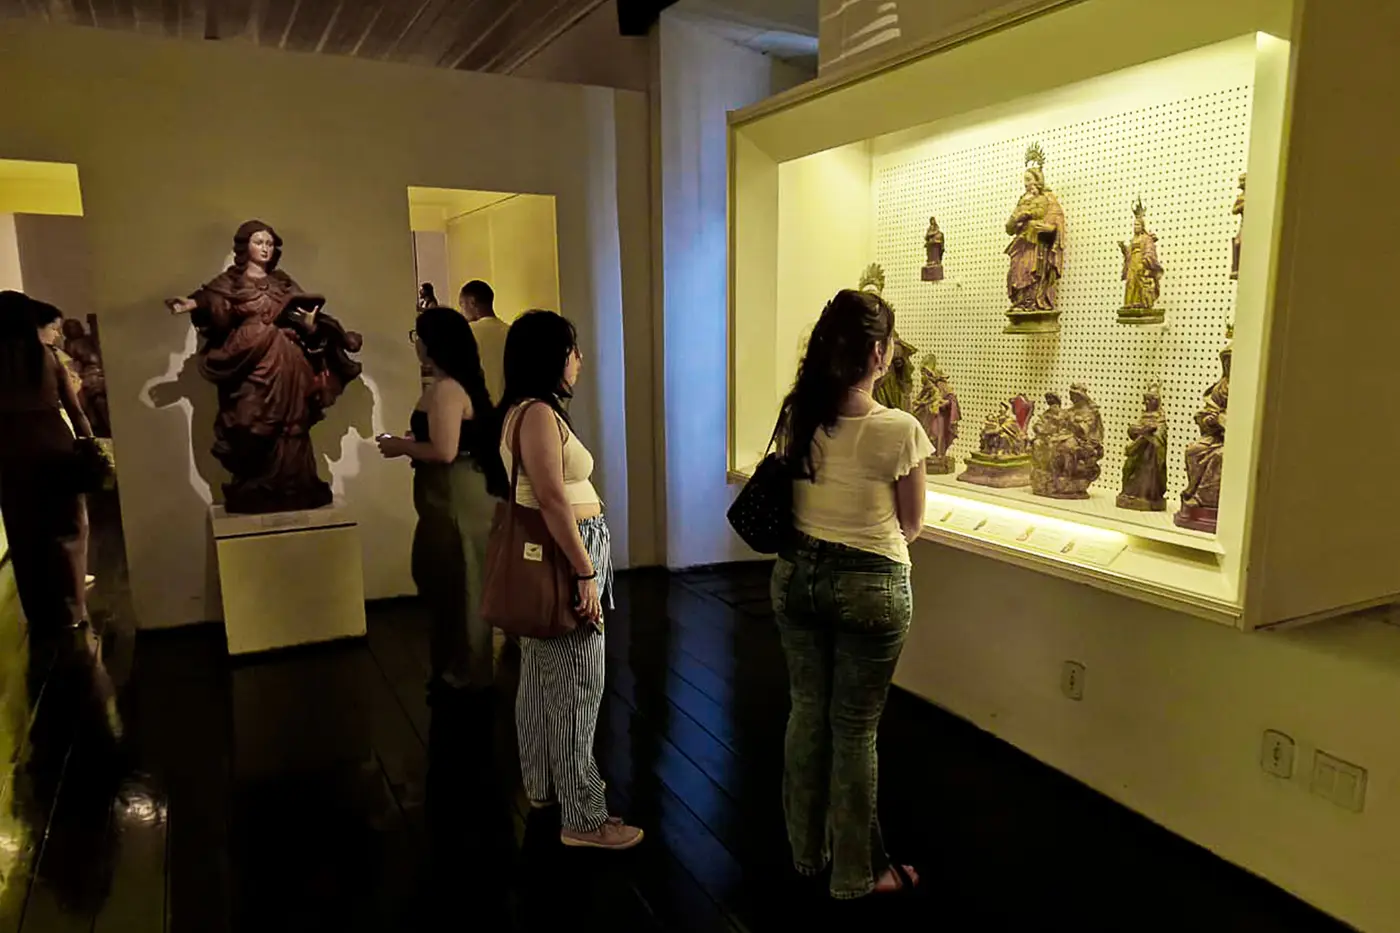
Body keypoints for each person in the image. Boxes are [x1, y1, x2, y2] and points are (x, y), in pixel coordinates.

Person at [771, 288, 931, 899]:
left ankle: (805, 854)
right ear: (878, 353)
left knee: (806, 711)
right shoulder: (900, 429)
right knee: (855, 729)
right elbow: (912, 523)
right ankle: (856, 875)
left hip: (797, 575)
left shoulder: (800, 413)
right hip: (872, 584)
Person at [498, 310, 641, 851]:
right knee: (579, 686)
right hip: (566, 554)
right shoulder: (537, 414)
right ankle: (584, 817)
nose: (579, 359)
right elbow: (553, 499)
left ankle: (542, 788)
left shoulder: (522, 410)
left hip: (554, 553)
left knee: (540, 679)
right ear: (550, 357)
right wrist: (584, 570)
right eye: (571, 349)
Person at [378, 307, 506, 699]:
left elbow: (445, 451)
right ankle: (458, 667)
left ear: (432, 343)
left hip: (456, 497)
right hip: (453, 495)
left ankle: (468, 673)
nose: (416, 344)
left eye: (417, 336)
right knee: (450, 579)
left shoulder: (448, 389)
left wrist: (400, 446)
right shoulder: (453, 385)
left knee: (463, 582)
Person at [0, 292, 94, 631]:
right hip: (55, 445)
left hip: (10, 452)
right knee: (69, 529)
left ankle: (38, 614)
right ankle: (71, 610)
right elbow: (75, 410)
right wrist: (89, 445)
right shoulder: (48, 356)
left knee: (24, 534)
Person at [459, 280, 509, 405]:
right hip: (508, 407)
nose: (461, 311)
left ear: (472, 302)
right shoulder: (511, 331)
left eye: (461, 304)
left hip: (478, 407)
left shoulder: (465, 333)